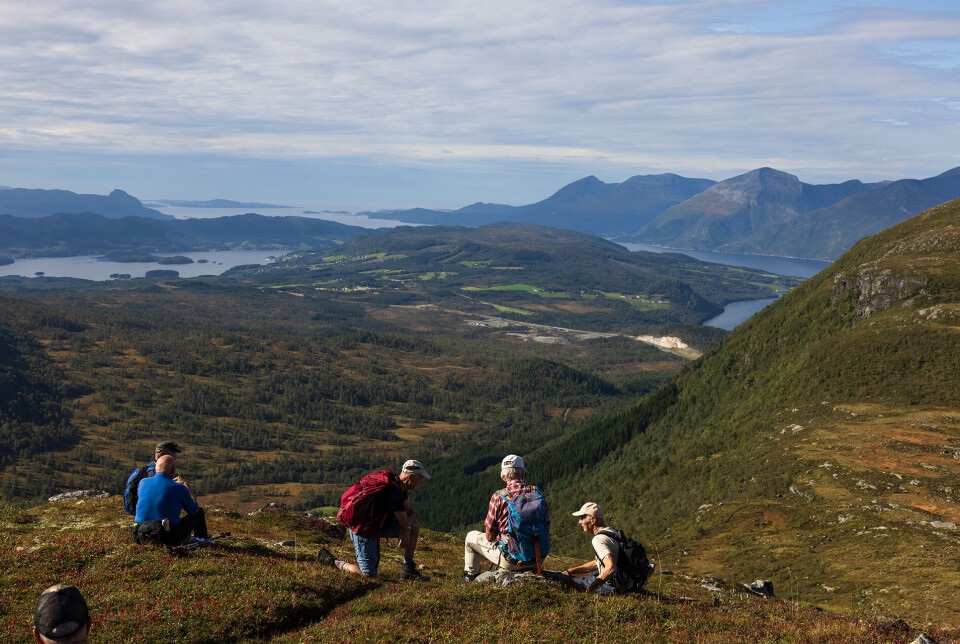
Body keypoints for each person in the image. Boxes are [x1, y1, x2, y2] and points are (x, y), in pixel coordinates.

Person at [319, 459, 430, 581]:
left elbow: (407, 516)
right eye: (420, 478)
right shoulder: (394, 492)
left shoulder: (399, 485)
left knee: (414, 525)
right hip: (363, 531)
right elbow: (406, 520)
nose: (421, 482)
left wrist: (407, 528)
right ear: (410, 477)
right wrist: (409, 522)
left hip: (378, 525)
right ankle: (333, 561)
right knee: (368, 577)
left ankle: (408, 569)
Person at [463, 454, 550, 582]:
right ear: (523, 474)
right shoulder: (537, 493)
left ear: (503, 477)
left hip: (511, 560)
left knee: (470, 537)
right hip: (538, 557)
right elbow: (547, 526)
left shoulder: (498, 496)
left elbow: (489, 537)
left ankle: (471, 577)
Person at [133, 454, 209, 545]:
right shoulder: (179, 487)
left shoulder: (143, 482)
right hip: (167, 537)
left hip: (140, 536)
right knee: (199, 512)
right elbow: (194, 510)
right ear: (173, 470)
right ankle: (201, 539)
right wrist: (186, 485)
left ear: (156, 468)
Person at [560, 502, 619, 594]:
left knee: (564, 580)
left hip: (611, 585)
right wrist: (571, 570)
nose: (579, 522)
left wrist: (591, 588)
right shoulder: (613, 532)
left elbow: (611, 567)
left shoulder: (598, 539)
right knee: (592, 573)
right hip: (622, 579)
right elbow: (600, 562)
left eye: (582, 518)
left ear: (593, 520)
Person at [123, 440, 182, 515]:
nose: (175, 458)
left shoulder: (146, 468)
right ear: (161, 455)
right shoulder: (154, 474)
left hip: (135, 509)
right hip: (146, 514)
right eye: (172, 455)